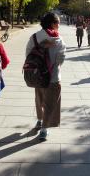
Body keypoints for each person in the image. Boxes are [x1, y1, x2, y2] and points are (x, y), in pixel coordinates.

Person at [25, 13, 66, 141]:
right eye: (58, 22)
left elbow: (28, 54)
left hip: (37, 75)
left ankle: (39, 120)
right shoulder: (58, 40)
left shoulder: (35, 37)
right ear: (53, 24)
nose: (59, 25)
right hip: (53, 76)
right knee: (51, 102)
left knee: (39, 98)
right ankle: (44, 129)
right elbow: (60, 60)